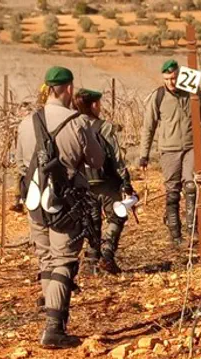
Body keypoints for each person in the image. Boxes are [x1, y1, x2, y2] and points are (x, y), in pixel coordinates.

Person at [16, 66, 104, 349]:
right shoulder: (78, 123)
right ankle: (54, 328)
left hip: (35, 202)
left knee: (45, 260)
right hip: (67, 204)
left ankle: (53, 320)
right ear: (68, 89)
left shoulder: (26, 122)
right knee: (64, 260)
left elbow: (19, 165)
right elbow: (97, 160)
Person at [139, 59, 201, 247]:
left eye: (174, 77)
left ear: (179, 75)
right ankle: (175, 235)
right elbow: (148, 127)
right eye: (167, 79)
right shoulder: (158, 97)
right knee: (172, 192)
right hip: (168, 150)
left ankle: (193, 229)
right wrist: (143, 155)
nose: (171, 82)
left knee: (191, 186)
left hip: (190, 147)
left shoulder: (191, 90)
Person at [72, 88, 135, 275]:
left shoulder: (72, 126)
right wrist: (125, 180)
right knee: (118, 215)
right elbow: (116, 156)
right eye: (98, 103)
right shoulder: (104, 127)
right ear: (93, 105)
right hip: (106, 181)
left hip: (82, 183)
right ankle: (107, 253)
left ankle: (92, 261)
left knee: (91, 221)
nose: (100, 107)